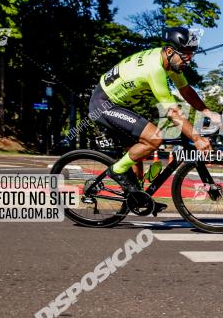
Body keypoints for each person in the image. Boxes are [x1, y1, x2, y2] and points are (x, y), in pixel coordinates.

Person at [89, 27, 212, 193]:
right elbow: (173, 112)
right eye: (185, 56)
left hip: (119, 105)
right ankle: (116, 170)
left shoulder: (168, 61)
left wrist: (207, 112)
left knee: (136, 156)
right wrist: (197, 139)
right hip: (103, 104)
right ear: (170, 51)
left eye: (191, 56)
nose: (188, 61)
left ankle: (136, 196)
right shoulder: (154, 68)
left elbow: (185, 90)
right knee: (155, 138)